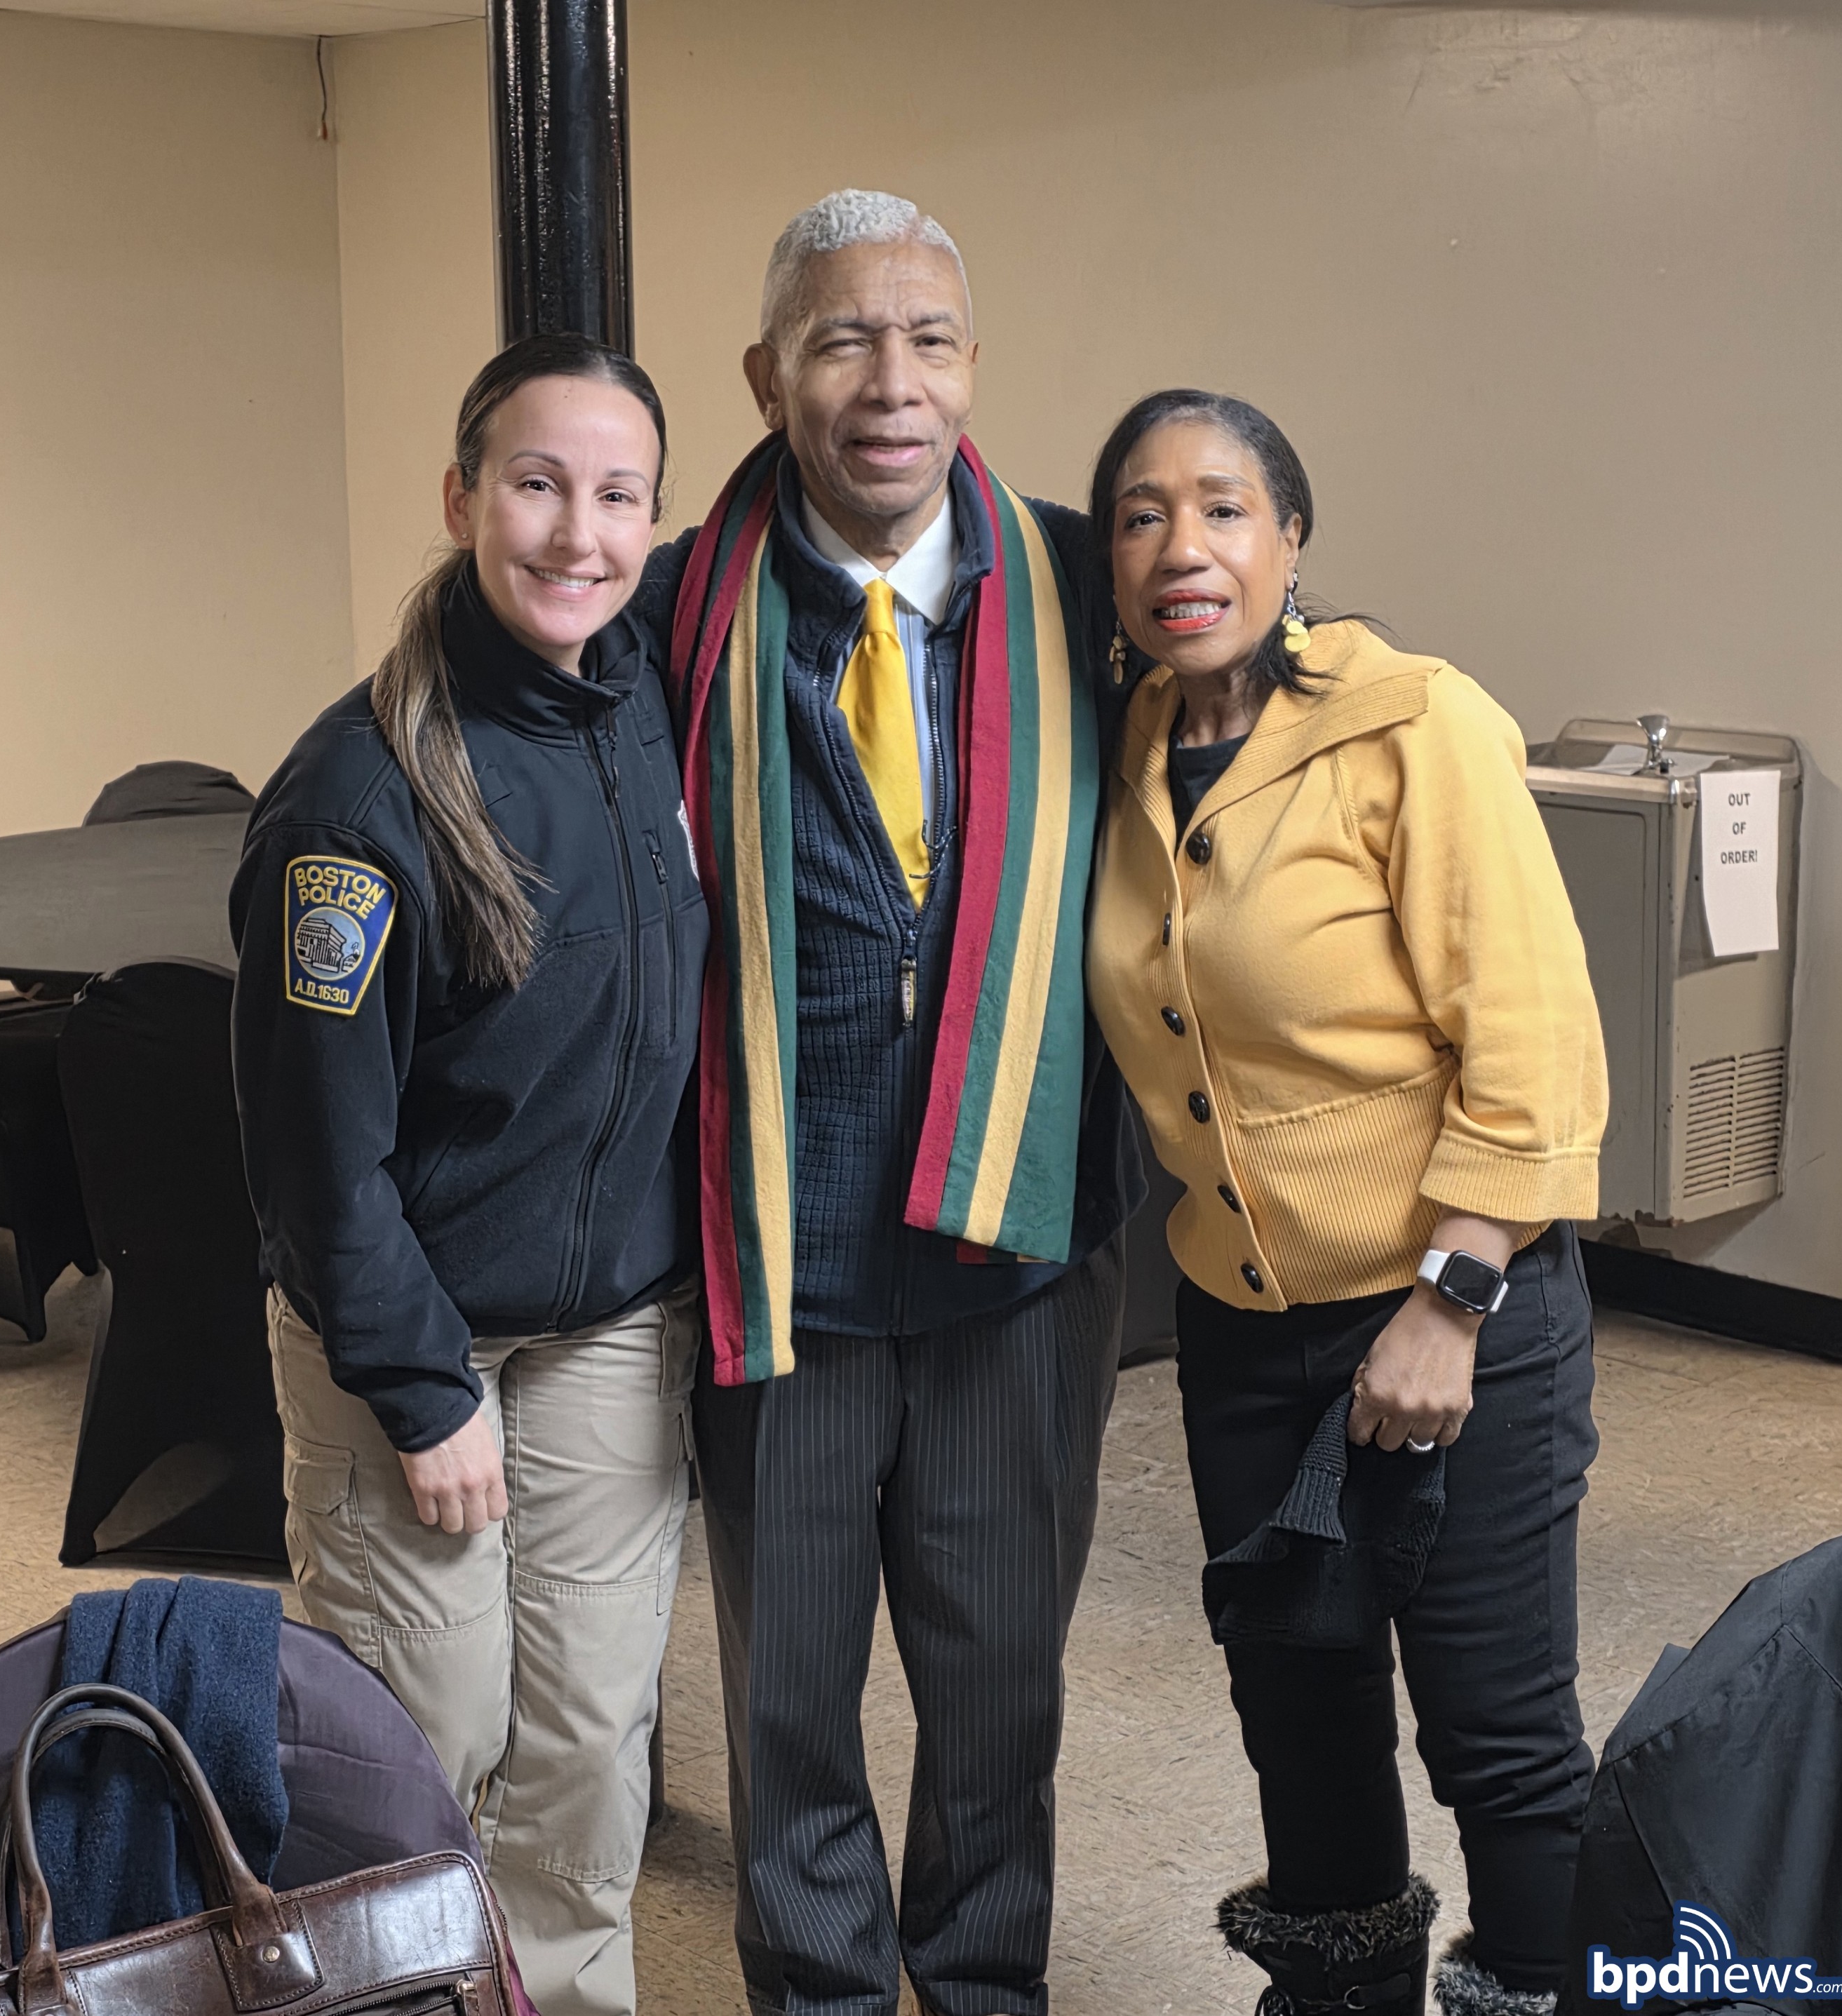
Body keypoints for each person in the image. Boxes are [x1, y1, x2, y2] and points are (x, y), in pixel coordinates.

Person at [638, 190, 1145, 2016]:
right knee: (790, 1690)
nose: (891, 381)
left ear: (974, 367)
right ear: (770, 376)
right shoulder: (668, 616)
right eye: (846, 339)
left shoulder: (1090, 592)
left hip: (1016, 1249)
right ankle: (827, 1992)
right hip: (778, 1246)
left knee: (1000, 1671)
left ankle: (984, 1981)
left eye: (929, 337)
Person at [1082, 389, 1606, 2016]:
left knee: (1495, 1729)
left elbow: (1532, 1040)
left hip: (1455, 1318)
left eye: (1226, 508)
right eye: (1142, 516)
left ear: (1292, 539)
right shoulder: (1127, 743)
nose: (1185, 547)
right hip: (1245, 1330)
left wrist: (1449, 1302)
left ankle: (1537, 1989)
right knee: (1301, 1721)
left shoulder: (1414, 723)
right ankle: (1341, 1995)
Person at [229, 332, 708, 2016]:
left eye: (618, 493)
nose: (577, 532)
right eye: (534, 482)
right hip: (417, 1343)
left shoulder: (647, 689)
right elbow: (314, 1147)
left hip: (611, 1332)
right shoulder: (354, 802)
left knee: (587, 1747)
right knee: (422, 1742)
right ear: (459, 497)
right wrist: (424, 1393)